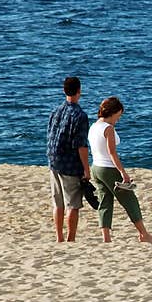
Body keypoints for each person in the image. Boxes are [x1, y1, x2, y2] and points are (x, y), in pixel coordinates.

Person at [88, 96, 152, 244]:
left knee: (105, 201)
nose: (119, 118)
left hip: (96, 168)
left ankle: (106, 238)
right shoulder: (108, 128)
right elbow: (112, 153)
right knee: (129, 200)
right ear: (112, 112)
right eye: (118, 115)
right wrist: (123, 172)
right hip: (108, 168)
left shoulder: (94, 126)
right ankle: (143, 234)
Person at [46, 76, 91, 242]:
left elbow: (50, 135)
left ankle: (59, 237)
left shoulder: (55, 111)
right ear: (79, 91)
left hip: (53, 160)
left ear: (64, 91)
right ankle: (71, 239)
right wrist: (86, 169)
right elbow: (81, 146)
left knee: (57, 202)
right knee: (73, 203)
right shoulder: (80, 115)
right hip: (70, 164)